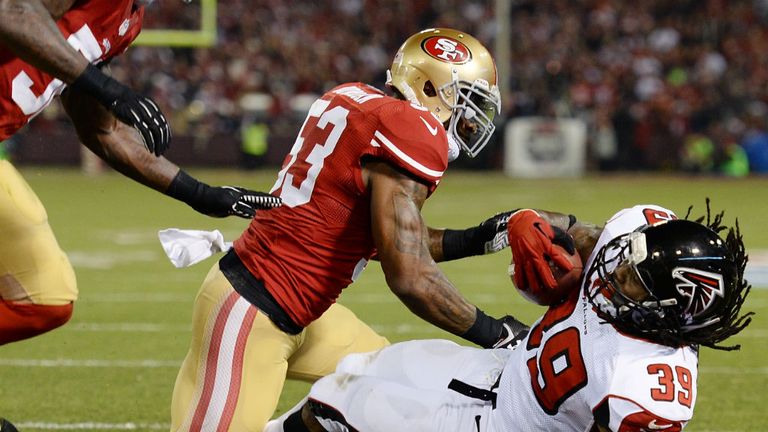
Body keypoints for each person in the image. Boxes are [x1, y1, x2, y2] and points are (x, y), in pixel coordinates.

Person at [169, 28, 574, 432]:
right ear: (431, 87)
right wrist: (496, 332)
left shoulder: (354, 97)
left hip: (303, 311)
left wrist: (479, 237)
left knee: (392, 383)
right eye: (467, 101)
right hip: (253, 309)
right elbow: (409, 275)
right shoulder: (411, 129)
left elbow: (388, 238)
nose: (470, 121)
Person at [269, 203, 753, 432]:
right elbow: (585, 235)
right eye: (624, 259)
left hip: (500, 425)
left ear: (663, 312)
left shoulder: (645, 384)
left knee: (335, 406)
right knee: (362, 368)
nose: (612, 270)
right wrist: (533, 225)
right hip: (504, 370)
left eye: (630, 280)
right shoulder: (635, 237)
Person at [0, 0, 281, 346]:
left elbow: (105, 131)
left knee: (45, 300)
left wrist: (201, 194)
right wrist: (109, 88)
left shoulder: (127, 21)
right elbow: (12, 12)